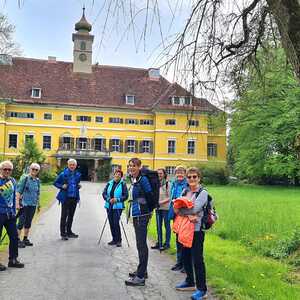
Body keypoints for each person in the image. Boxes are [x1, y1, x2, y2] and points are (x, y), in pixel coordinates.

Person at [175, 167, 208, 300]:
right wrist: (188, 215)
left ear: (199, 178)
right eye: (189, 177)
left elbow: (195, 208)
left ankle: (202, 289)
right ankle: (189, 281)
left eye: (195, 176)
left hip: (197, 230)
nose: (192, 179)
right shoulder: (185, 190)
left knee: (198, 260)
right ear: (187, 179)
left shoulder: (203, 192)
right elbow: (176, 208)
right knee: (185, 257)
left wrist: (184, 212)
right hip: (185, 229)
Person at [125, 158, 154, 287]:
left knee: (141, 245)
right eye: (130, 166)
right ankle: (143, 270)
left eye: (134, 166)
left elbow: (150, 196)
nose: (131, 168)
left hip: (142, 215)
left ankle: (141, 277)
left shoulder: (143, 180)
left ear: (139, 167)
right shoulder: (135, 180)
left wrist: (148, 211)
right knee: (139, 244)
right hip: (137, 215)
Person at [0, 160, 24, 271]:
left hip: (10, 214)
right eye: (5, 169)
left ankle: (13, 260)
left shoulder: (13, 181)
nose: (7, 171)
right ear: (1, 169)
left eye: (9, 169)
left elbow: (14, 197)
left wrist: (15, 211)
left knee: (14, 237)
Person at [54, 159, 81, 240]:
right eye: (70, 165)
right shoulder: (63, 174)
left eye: (73, 165)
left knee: (71, 216)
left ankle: (69, 232)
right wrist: (62, 186)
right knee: (64, 216)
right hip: (65, 198)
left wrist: (79, 186)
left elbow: (77, 184)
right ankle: (63, 233)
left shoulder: (78, 175)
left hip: (74, 197)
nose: (72, 166)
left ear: (75, 166)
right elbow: (55, 183)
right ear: (68, 165)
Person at [16, 163, 41, 248]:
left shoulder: (37, 181)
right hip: (24, 204)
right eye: (33, 169)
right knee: (21, 222)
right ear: (30, 169)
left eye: (36, 170)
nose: (34, 171)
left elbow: (38, 193)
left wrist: (38, 204)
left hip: (33, 205)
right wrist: (17, 203)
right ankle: (17, 240)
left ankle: (25, 239)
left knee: (28, 222)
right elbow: (18, 191)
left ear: (38, 171)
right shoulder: (25, 178)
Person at [102, 169, 128, 247]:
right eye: (116, 174)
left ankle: (119, 240)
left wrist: (117, 199)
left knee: (116, 222)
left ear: (121, 176)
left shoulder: (123, 184)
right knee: (111, 223)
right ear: (114, 175)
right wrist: (108, 199)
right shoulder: (109, 183)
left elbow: (126, 196)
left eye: (119, 174)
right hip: (109, 205)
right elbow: (104, 193)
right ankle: (114, 239)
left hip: (118, 206)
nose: (117, 175)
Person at [169, 165, 188, 272]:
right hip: (176, 214)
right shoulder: (174, 184)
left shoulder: (187, 184)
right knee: (178, 239)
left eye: (181, 172)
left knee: (184, 239)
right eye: (178, 172)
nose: (179, 174)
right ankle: (179, 262)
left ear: (185, 174)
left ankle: (186, 265)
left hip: (184, 215)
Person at [151, 168, 171, 251]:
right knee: (158, 226)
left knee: (167, 226)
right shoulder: (156, 184)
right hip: (158, 208)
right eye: (158, 173)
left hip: (166, 208)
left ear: (164, 174)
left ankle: (167, 244)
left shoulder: (167, 184)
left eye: (161, 173)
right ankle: (159, 242)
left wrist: (160, 202)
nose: (159, 175)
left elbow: (170, 197)